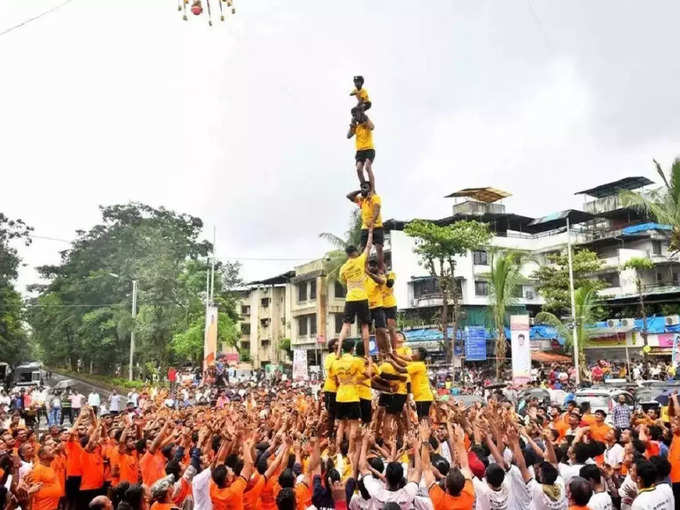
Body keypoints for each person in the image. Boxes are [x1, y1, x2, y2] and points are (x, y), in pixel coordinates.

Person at [336, 227, 373, 363]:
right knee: (364, 326)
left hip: (350, 297)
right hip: (362, 297)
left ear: (347, 254)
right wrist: (370, 232)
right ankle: (367, 354)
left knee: (346, 325)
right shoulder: (360, 259)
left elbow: (344, 281)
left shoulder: (343, 268)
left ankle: (339, 350)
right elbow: (368, 246)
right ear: (355, 252)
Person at [346, 183, 384, 271]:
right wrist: (360, 191)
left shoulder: (375, 197)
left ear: (370, 189)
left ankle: (380, 269)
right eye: (362, 187)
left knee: (379, 248)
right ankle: (365, 267)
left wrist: (372, 221)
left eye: (365, 187)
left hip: (377, 226)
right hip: (365, 227)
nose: (363, 189)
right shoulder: (361, 199)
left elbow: (377, 209)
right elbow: (349, 196)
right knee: (363, 248)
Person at [346, 109, 376, 191]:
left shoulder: (366, 122)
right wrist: (352, 125)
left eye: (356, 114)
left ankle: (373, 189)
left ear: (360, 113)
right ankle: (365, 188)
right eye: (353, 115)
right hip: (360, 151)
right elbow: (348, 136)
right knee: (359, 169)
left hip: (369, 149)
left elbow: (372, 127)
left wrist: (366, 118)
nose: (355, 116)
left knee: (367, 167)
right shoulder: (356, 126)